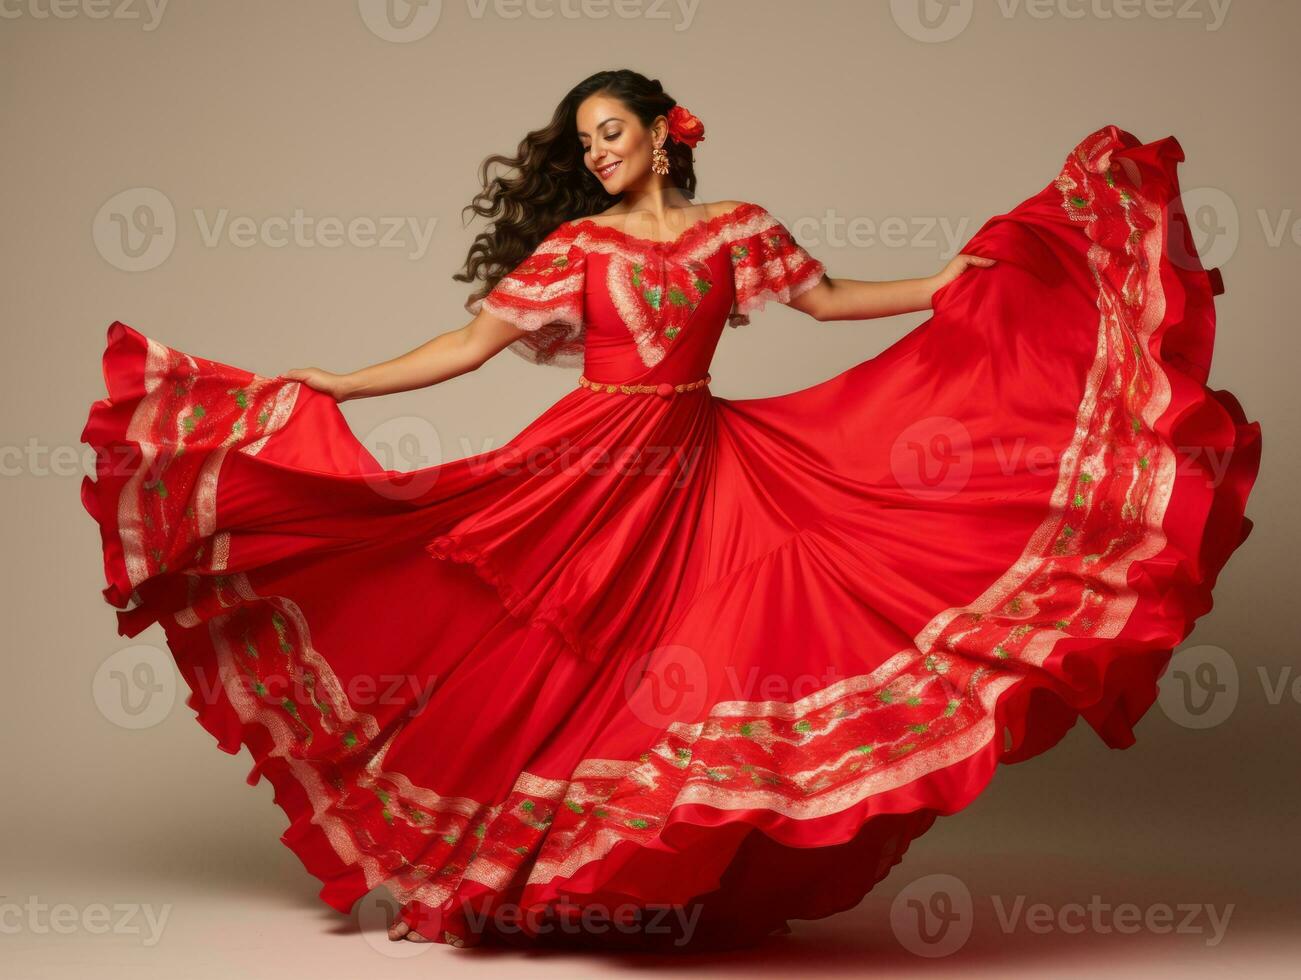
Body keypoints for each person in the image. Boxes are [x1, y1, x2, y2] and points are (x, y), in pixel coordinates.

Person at [80, 68, 1261, 950]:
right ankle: (511, 863)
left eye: (610, 132)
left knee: (702, 652)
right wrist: (339, 381)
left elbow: (834, 297)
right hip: (587, 463)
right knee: (526, 643)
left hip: (700, 462)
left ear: (661, 130)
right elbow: (468, 344)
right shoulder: (574, 247)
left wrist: (950, 280)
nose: (595, 153)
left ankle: (650, 879)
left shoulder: (736, 228)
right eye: (582, 140)